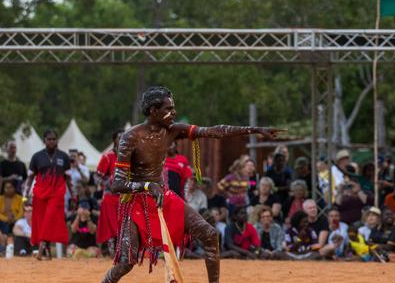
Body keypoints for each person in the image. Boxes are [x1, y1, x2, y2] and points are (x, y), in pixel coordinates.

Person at [101, 86, 281, 283]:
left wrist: (254, 130)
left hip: (163, 198)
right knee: (127, 262)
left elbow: (214, 131)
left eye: (174, 108)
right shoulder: (130, 137)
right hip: (136, 203)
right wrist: (145, 186)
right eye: (168, 108)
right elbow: (117, 184)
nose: (174, 113)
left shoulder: (172, 130)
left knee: (210, 234)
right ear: (153, 111)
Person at [22, 129, 74, 261]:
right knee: (42, 222)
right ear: (43, 140)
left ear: (57, 140)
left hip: (57, 193)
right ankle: (48, 252)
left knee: (50, 219)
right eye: (49, 139)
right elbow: (29, 177)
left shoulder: (63, 156)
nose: (51, 141)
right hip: (40, 193)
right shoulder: (36, 157)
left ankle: (40, 250)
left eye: (54, 139)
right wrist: (24, 195)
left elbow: (68, 179)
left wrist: (73, 196)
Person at [95, 129, 123, 254]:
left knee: (124, 225)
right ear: (114, 140)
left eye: (124, 137)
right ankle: (113, 251)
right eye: (119, 137)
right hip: (111, 197)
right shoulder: (107, 156)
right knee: (112, 226)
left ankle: (122, 251)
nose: (122, 140)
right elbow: (96, 176)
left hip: (125, 197)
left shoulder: (130, 156)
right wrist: (108, 184)